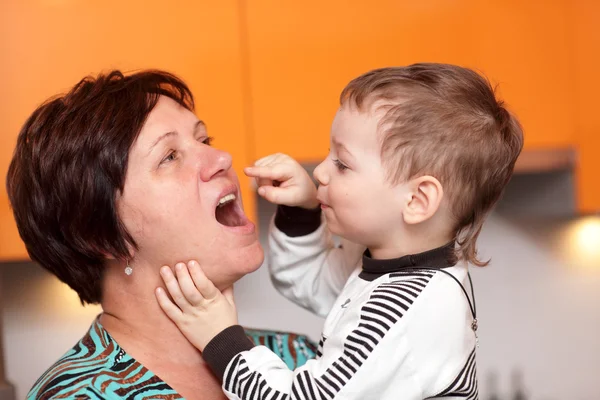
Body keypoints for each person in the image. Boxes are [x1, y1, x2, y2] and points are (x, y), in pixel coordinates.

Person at [156, 64, 524, 399]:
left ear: (417, 200)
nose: (320, 172)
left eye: (343, 164)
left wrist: (220, 337)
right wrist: (302, 211)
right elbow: (307, 279)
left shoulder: (405, 306)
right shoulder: (393, 264)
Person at [6, 69, 317, 400]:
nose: (222, 158)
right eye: (169, 156)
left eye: (204, 140)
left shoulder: (296, 359)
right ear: (101, 235)